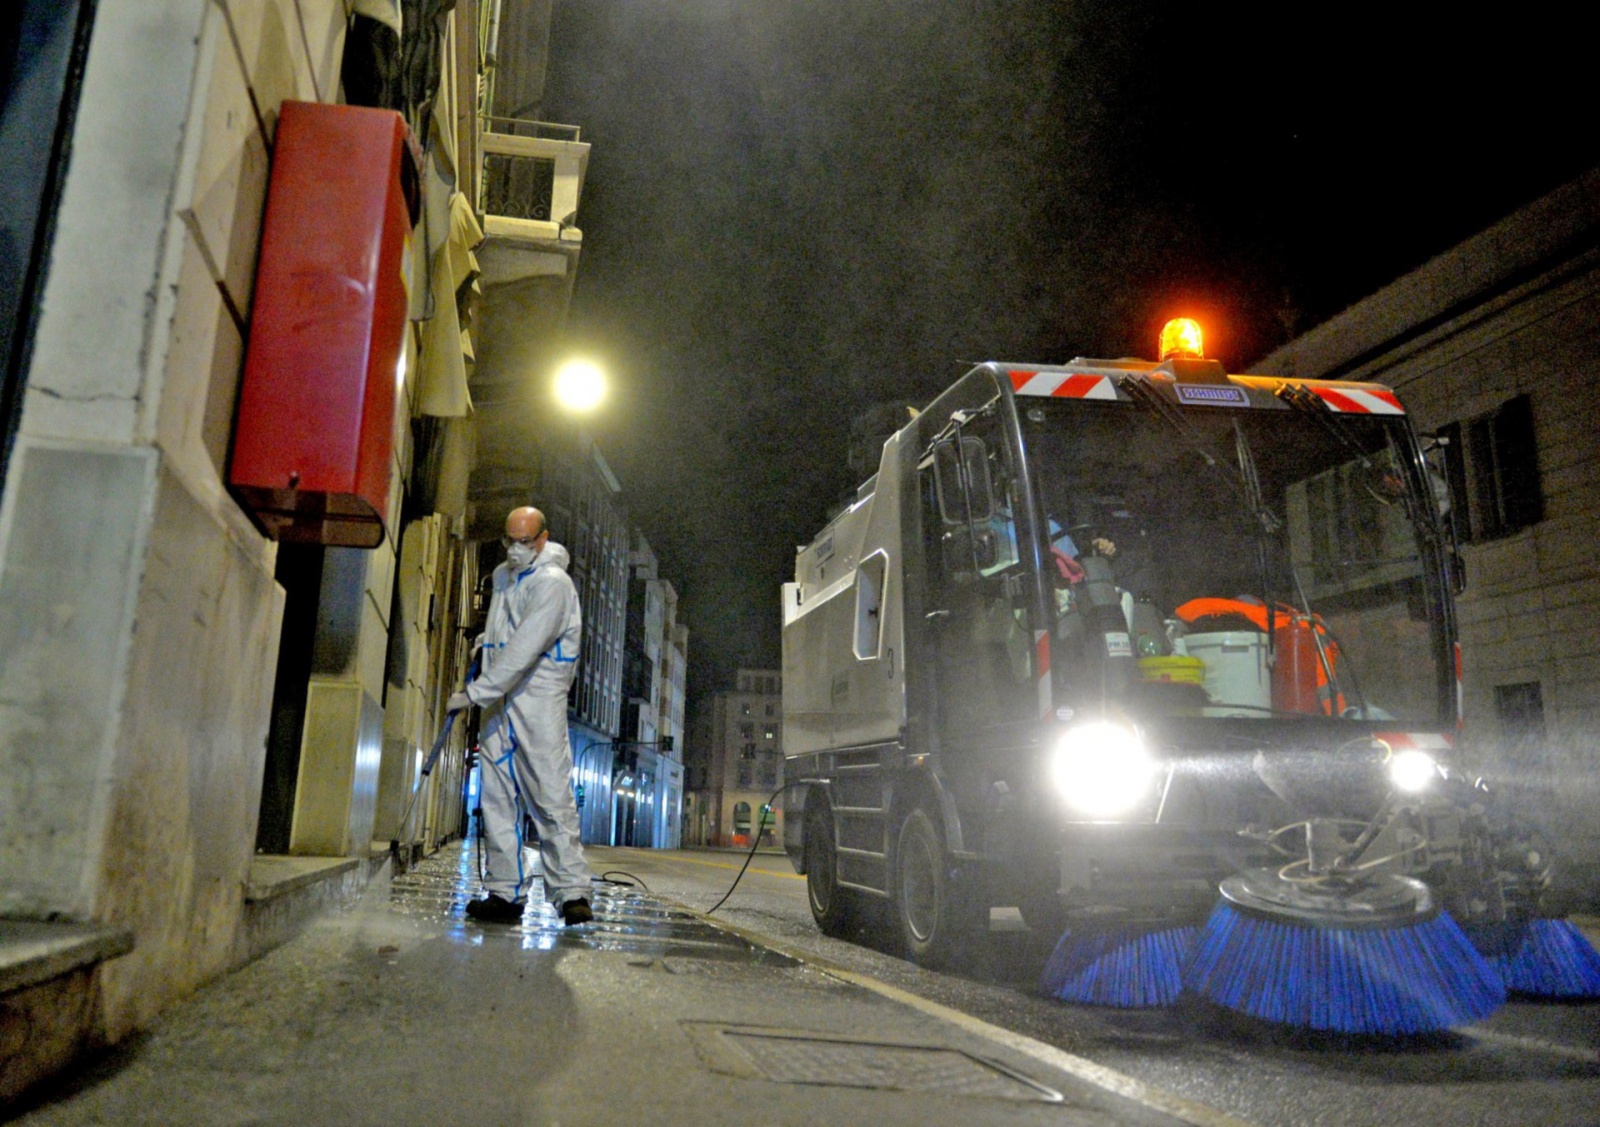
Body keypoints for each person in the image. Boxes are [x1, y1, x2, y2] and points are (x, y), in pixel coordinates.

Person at [447, 506, 594, 926]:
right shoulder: (502, 578)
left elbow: (528, 645)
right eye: (509, 539)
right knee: (495, 795)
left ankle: (571, 893)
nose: (515, 549)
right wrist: (483, 646)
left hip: (537, 696)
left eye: (524, 541)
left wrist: (475, 693)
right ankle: (504, 891)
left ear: (543, 539)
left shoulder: (554, 584)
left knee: (549, 793)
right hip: (500, 697)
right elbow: (504, 632)